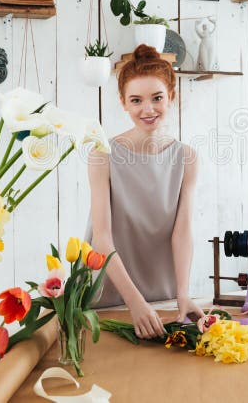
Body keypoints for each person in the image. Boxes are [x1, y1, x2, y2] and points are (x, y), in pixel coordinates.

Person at [86, 44, 205, 339]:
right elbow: (101, 237)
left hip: (160, 290)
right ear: (123, 102)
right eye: (136, 100)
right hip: (111, 288)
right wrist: (134, 301)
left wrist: (182, 292)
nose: (147, 109)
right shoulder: (102, 154)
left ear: (171, 97)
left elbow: (183, 230)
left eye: (157, 98)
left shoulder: (186, 157)